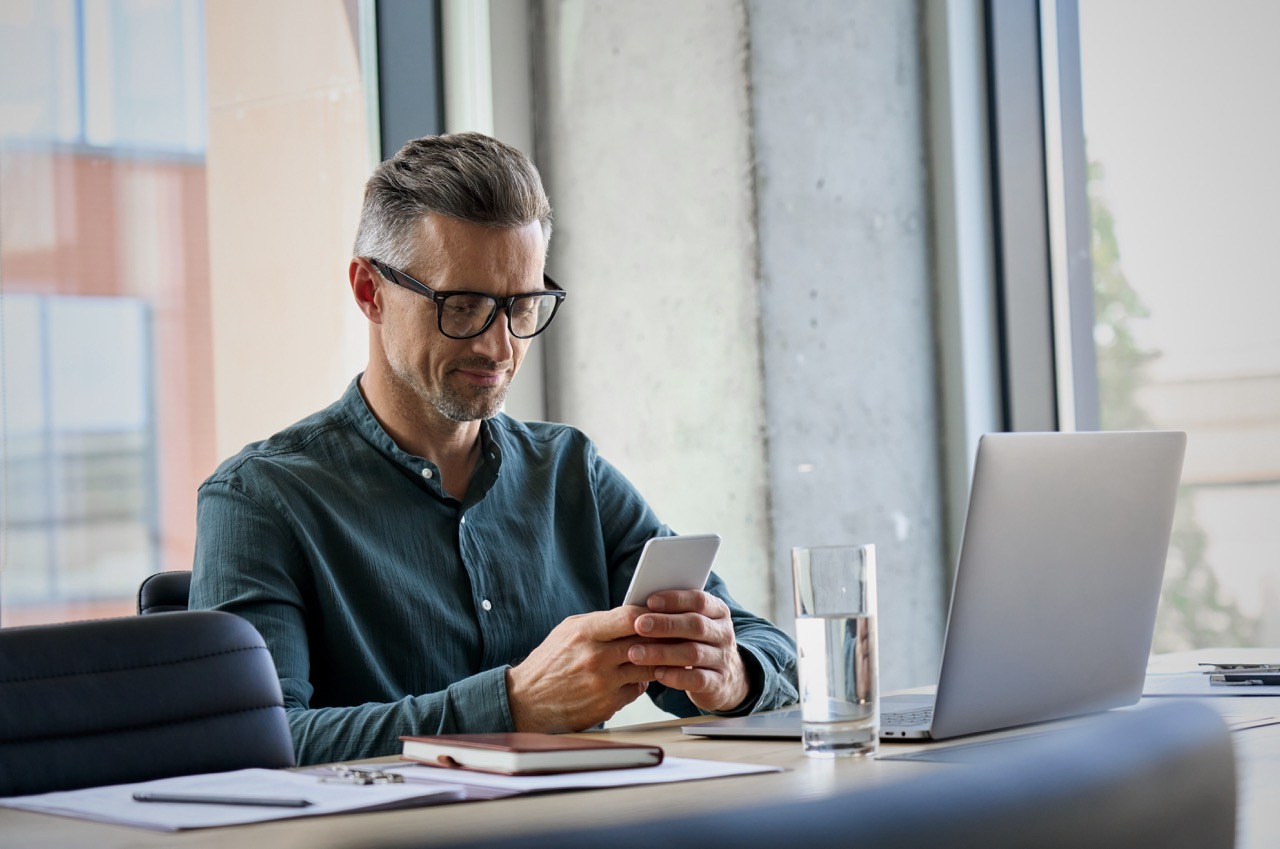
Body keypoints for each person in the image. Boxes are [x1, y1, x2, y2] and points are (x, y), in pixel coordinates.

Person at [190, 132, 798, 765]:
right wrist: (512, 706)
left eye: (522, 306)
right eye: (465, 305)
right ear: (370, 291)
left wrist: (728, 676)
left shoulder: (570, 473)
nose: (499, 346)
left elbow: (761, 643)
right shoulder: (260, 499)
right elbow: (253, 742)